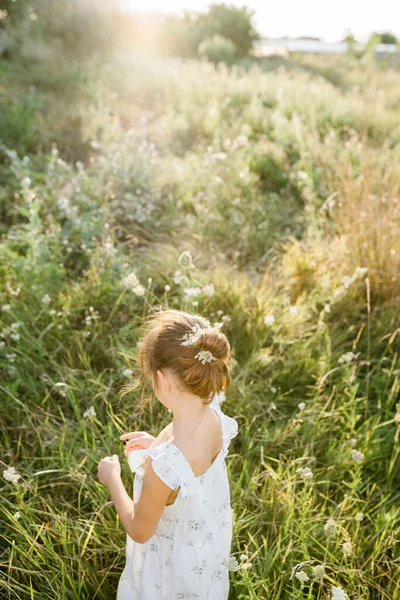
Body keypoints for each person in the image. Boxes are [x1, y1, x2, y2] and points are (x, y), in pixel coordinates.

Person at [97, 309, 238, 600]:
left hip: (170, 568)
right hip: (201, 549)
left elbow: (139, 530)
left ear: (162, 380)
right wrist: (155, 444)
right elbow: (188, 469)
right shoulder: (213, 412)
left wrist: (113, 480)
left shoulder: (163, 466)